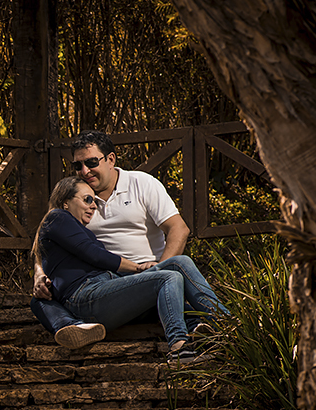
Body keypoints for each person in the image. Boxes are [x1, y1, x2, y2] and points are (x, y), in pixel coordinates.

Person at [31, 130, 228, 346]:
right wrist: (39, 274)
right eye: (78, 165)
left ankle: (218, 324)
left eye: (91, 162)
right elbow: (47, 244)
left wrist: (158, 269)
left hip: (144, 275)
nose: (84, 171)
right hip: (109, 283)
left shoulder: (141, 183)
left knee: (177, 267)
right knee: (172, 275)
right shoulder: (77, 200)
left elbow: (179, 229)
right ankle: (213, 327)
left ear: (111, 159)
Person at [35, 176, 205, 361]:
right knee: (168, 277)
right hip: (86, 295)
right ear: (65, 202)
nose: (94, 206)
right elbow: (94, 254)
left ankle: (220, 321)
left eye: (95, 201)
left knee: (180, 262)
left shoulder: (74, 230)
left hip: (106, 288)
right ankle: (179, 348)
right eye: (87, 199)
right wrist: (138, 268)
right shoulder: (57, 217)